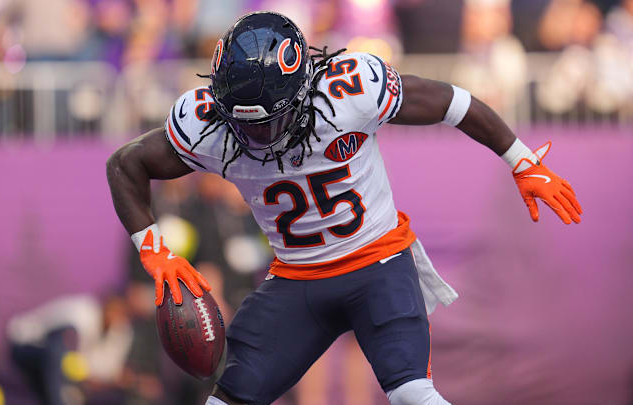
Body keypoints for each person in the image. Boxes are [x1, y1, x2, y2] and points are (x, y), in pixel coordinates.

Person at [106, 11, 583, 405]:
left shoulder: (347, 93)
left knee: (412, 394)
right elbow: (125, 165)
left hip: (378, 264)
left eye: (270, 122)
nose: (258, 137)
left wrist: (521, 159)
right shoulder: (207, 123)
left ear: (303, 88)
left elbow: (450, 102)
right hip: (296, 280)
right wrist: (153, 252)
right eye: (245, 125)